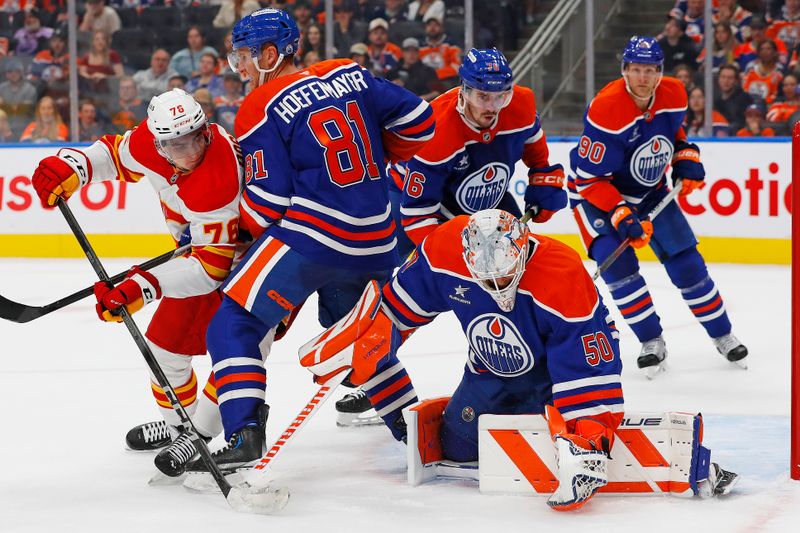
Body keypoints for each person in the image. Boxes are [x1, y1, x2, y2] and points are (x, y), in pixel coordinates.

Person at [185, 7, 434, 473]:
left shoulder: (259, 106)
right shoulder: (350, 72)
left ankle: (243, 433)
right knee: (359, 338)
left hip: (316, 236)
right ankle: (417, 432)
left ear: (271, 53)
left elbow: (266, 203)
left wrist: (237, 231)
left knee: (233, 320)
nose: (236, 66)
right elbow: (421, 122)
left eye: (243, 55)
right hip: (379, 237)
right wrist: (377, 155)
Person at [301, 209, 624, 511]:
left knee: (548, 451)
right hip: (486, 374)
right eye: (487, 279)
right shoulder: (444, 251)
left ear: (522, 252)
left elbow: (587, 368)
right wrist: (362, 346)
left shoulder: (561, 272)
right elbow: (394, 313)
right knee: (455, 448)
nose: (497, 287)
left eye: (504, 276)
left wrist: (587, 441)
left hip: (550, 381)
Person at [335, 48, 566, 424]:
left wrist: (544, 185)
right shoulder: (438, 130)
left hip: (488, 206)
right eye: (482, 96)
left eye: (500, 95)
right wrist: (453, 259)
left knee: (515, 287)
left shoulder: (520, 105)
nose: (493, 105)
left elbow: (538, 157)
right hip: (418, 210)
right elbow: (416, 214)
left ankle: (526, 367)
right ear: (464, 90)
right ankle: (373, 373)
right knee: (406, 294)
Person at [29, 88, 245, 477]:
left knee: (235, 351)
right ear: (159, 143)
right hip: (197, 251)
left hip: (244, 263)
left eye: (197, 137)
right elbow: (114, 155)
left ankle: (199, 434)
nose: (191, 150)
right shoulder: (150, 141)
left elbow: (212, 268)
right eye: (177, 145)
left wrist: (142, 286)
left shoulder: (218, 175)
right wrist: (75, 165)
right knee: (163, 349)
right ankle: (181, 423)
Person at [567, 36, 748, 376]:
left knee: (688, 265)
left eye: (650, 71)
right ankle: (652, 341)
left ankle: (723, 335)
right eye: (636, 70)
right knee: (621, 271)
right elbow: (590, 179)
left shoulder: (674, 93)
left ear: (660, 72)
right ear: (624, 71)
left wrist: (685, 154)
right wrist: (621, 214)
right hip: (596, 198)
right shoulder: (607, 109)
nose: (643, 78)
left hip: (650, 191)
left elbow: (673, 130)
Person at [419, 16, 461, 85]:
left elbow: (456, 67)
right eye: (429, 25)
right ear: (425, 28)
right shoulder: (420, 46)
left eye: (436, 25)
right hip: (423, 81)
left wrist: (436, 74)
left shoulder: (451, 45)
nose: (432, 28)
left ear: (442, 28)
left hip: (444, 81)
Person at [742, 39, 784, 105]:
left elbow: (779, 95)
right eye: (762, 49)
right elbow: (744, 90)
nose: (765, 52)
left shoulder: (780, 72)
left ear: (775, 52)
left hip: (770, 106)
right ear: (758, 53)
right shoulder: (751, 68)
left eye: (768, 49)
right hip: (749, 106)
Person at [714, 63, 753, 132]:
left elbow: (741, 123)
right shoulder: (715, 99)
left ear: (736, 81)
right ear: (718, 79)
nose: (726, 81)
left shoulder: (744, 99)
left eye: (730, 78)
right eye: (723, 77)